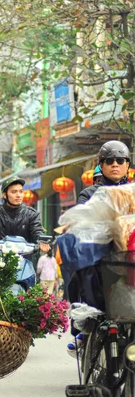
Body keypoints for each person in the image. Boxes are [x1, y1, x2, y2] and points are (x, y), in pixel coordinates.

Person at [67, 140, 130, 356]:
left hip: (129, 257)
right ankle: (83, 331)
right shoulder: (89, 194)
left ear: (127, 165)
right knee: (80, 275)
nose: (115, 164)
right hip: (101, 257)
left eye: (120, 160)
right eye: (109, 160)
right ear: (101, 165)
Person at [0, 177, 50, 253]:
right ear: (5, 195)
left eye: (21, 191)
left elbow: (37, 230)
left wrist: (42, 241)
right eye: (14, 192)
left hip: (24, 260)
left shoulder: (32, 214)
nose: (18, 195)